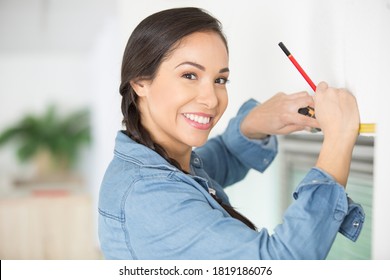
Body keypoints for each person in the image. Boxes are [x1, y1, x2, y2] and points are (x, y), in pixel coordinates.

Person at [98, 7, 364, 260]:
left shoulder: (158, 160)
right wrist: (339, 138)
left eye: (219, 80)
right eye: (190, 75)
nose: (211, 99)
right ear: (140, 82)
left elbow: (218, 159)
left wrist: (252, 125)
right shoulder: (149, 196)